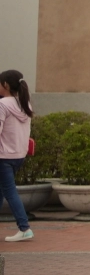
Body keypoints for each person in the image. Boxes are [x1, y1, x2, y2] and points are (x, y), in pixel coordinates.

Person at [0, 70, 35, 242]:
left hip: (3, 156)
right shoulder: (25, 103)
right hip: (18, 155)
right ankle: (24, 227)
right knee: (2, 190)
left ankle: (24, 228)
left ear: (5, 85)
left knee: (9, 191)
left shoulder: (2, 104)